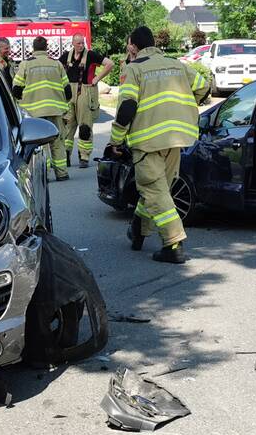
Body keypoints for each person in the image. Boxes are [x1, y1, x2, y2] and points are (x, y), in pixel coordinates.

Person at [108, 26, 210, 264]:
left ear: (133, 46)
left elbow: (127, 108)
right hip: (176, 138)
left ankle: (173, 244)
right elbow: (203, 87)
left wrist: (116, 139)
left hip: (147, 141)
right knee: (158, 189)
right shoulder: (177, 65)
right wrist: (183, 109)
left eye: (128, 45)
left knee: (154, 190)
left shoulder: (134, 69)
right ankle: (138, 230)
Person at [12, 36, 72, 181]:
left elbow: (16, 89)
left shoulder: (26, 64)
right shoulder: (56, 64)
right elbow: (68, 90)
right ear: (47, 48)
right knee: (57, 142)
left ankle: (44, 174)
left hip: (35, 112)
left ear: (33, 48)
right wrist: (62, 104)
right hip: (55, 110)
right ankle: (62, 173)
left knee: (41, 144)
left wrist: (23, 102)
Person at [59, 33, 113, 168]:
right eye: (78, 43)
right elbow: (57, 69)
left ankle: (84, 157)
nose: (81, 45)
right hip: (69, 93)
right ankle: (66, 155)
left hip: (85, 92)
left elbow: (109, 64)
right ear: (73, 43)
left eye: (82, 43)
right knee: (67, 126)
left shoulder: (91, 55)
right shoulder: (66, 56)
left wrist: (97, 78)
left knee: (85, 127)